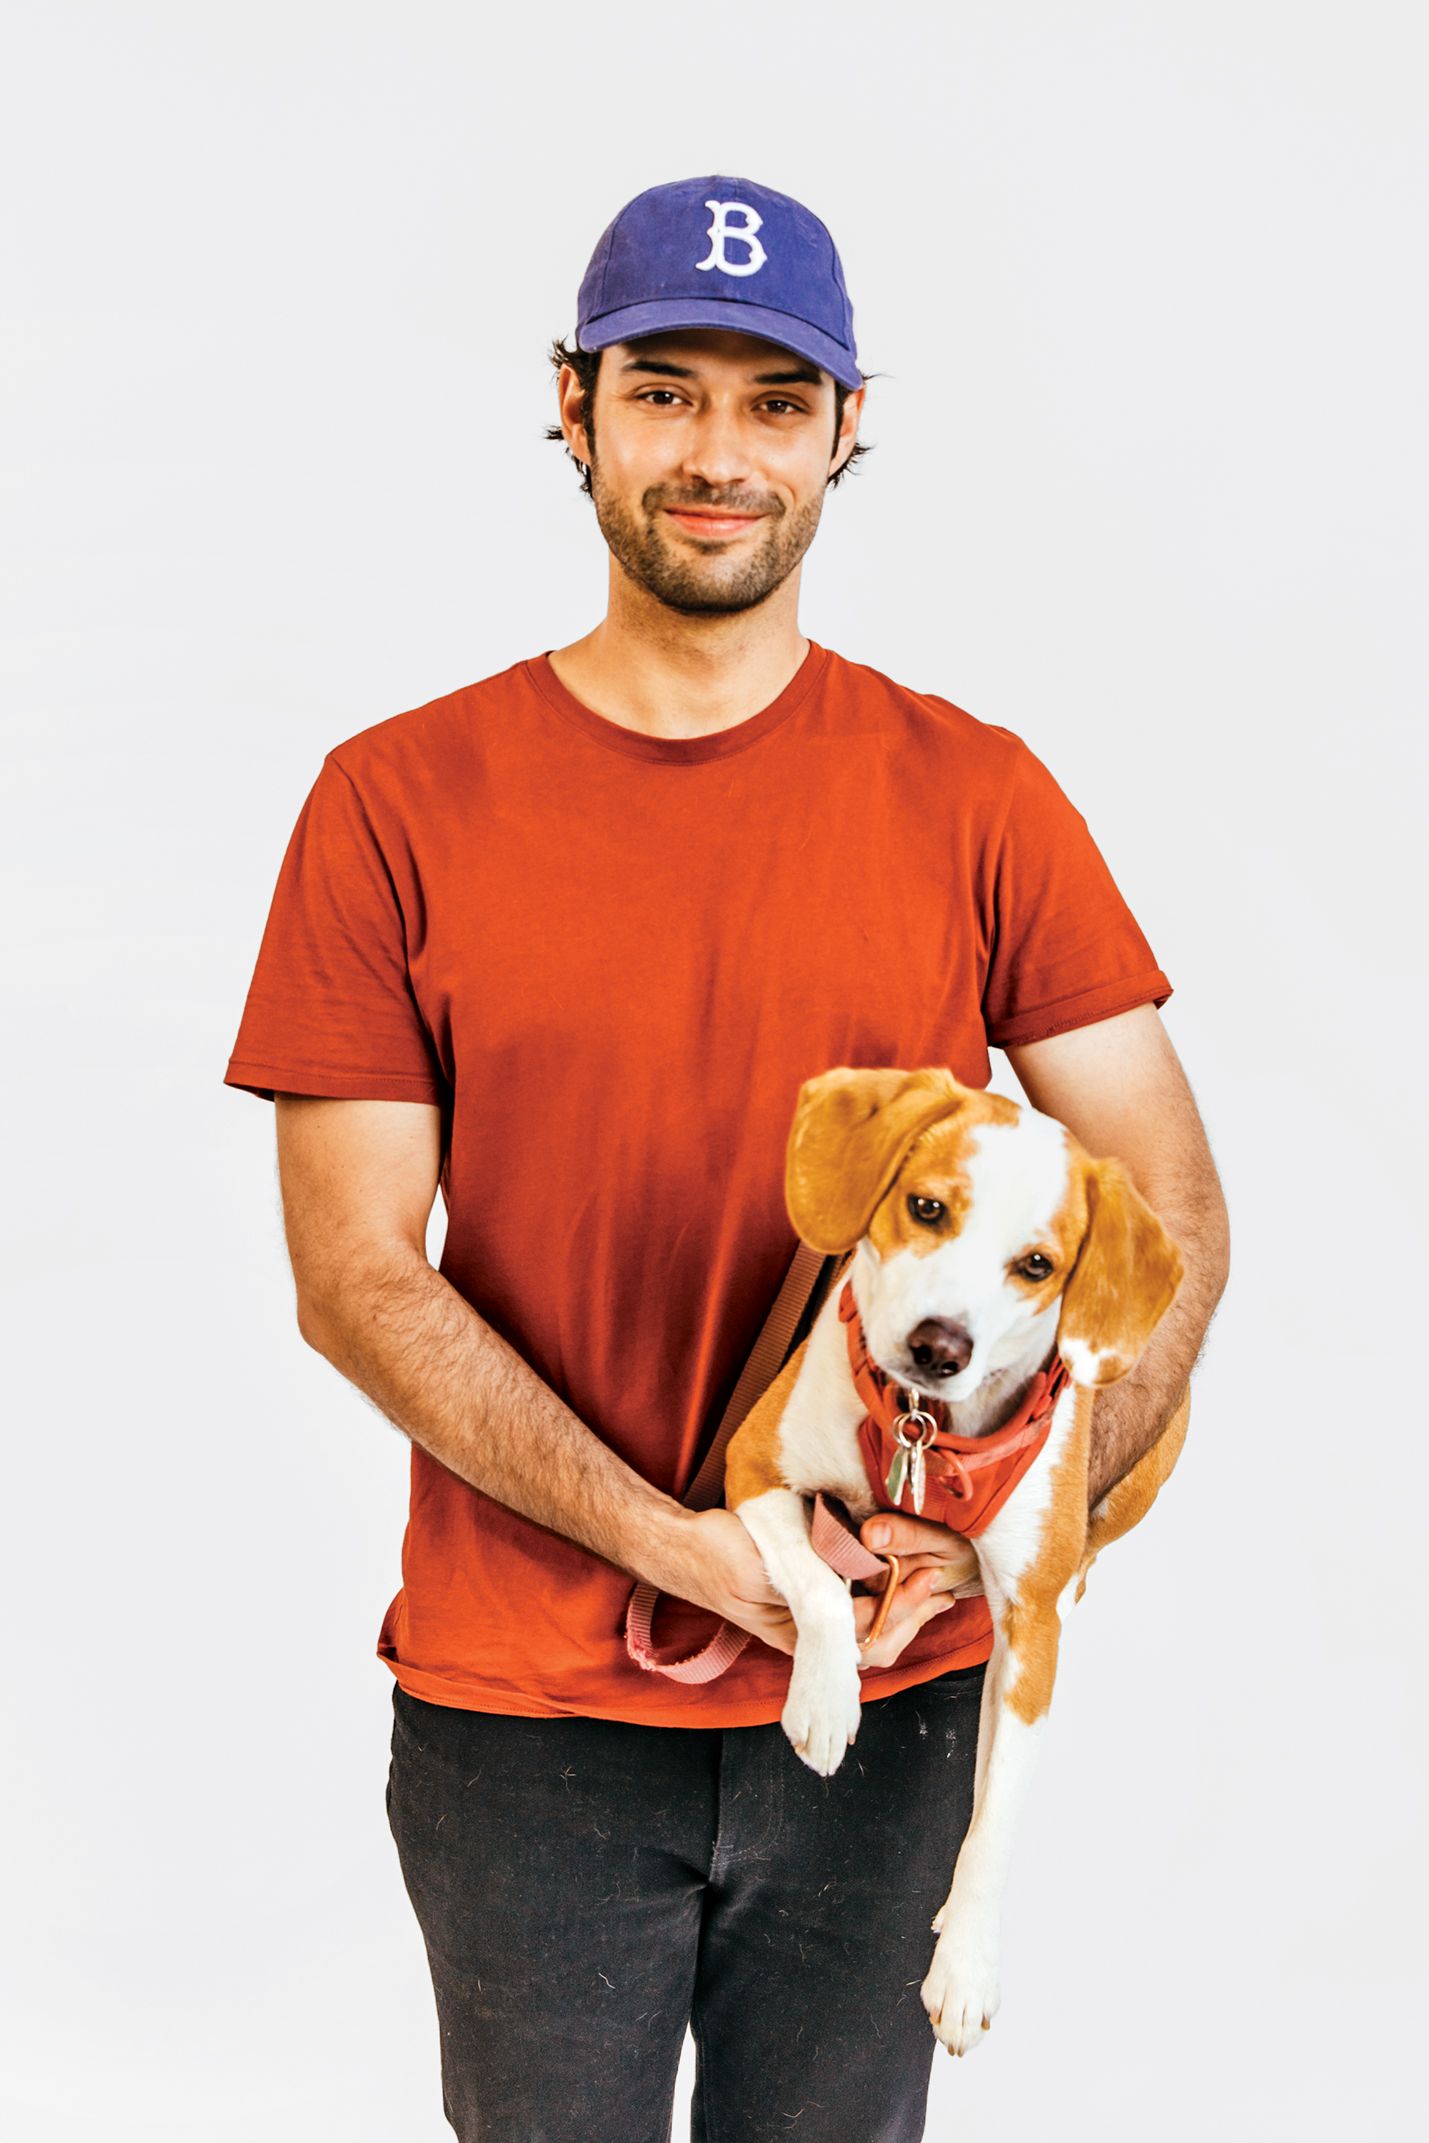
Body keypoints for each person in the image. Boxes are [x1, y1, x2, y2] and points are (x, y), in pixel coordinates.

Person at [224, 174, 1230, 2143]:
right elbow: (353, 1271)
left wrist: (1029, 1522)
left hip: (891, 1708)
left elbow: (1164, 1211)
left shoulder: (980, 796)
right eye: (665, 391)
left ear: (849, 429)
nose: (715, 452)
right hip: (527, 1716)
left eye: (775, 402)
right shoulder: (392, 805)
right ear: (575, 408)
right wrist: (683, 1547)